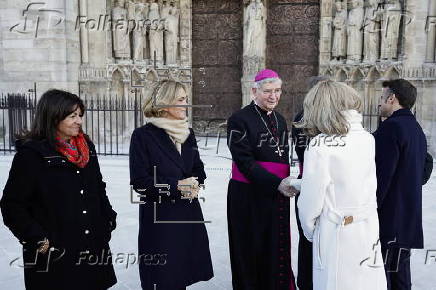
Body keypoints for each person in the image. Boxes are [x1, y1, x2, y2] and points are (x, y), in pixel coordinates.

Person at [0, 89, 117, 290]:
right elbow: (12, 205)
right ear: (53, 116)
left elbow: (98, 187)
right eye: (72, 116)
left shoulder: (86, 147)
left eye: (80, 115)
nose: (79, 121)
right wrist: (37, 240)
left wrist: (107, 218)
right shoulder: (31, 154)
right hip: (55, 254)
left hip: (92, 247)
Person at [295, 80, 387, 290]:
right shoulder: (366, 138)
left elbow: (310, 204)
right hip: (367, 227)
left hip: (336, 231)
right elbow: (349, 180)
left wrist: (312, 232)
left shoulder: (320, 144)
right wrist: (298, 182)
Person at [129, 80, 213, 290]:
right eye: (181, 100)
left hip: (187, 215)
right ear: (165, 104)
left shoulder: (187, 134)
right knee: (163, 279)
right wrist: (177, 186)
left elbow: (198, 169)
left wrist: (196, 182)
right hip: (161, 220)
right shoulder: (142, 136)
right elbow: (140, 182)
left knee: (181, 277)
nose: (187, 104)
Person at [226, 69, 297, 290]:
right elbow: (245, 162)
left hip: (277, 195)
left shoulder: (280, 120)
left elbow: (282, 156)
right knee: (250, 248)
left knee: (274, 245)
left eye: (277, 91)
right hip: (247, 196)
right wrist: (277, 183)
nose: (273, 96)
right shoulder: (238, 120)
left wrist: (286, 181)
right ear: (254, 91)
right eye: (268, 91)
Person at [374, 79, 427, 290]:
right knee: (400, 276)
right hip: (407, 218)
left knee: (385, 277)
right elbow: (425, 167)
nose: (379, 103)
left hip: (390, 219)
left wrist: (369, 209)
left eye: (381, 98)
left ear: (392, 98)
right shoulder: (416, 129)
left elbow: (380, 178)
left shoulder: (391, 128)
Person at [291, 76, 329, 290]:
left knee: (307, 242)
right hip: (315, 185)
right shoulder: (315, 120)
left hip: (305, 184)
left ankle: (306, 282)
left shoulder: (300, 117)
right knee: (318, 242)